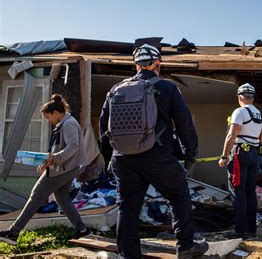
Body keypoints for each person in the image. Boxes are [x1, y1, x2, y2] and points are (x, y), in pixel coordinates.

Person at [99, 44, 208, 259]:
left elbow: (103, 129)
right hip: (156, 155)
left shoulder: (115, 90)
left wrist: (109, 160)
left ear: (136, 65)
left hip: (122, 158)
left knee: (127, 208)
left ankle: (128, 254)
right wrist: (189, 154)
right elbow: (185, 124)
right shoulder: (167, 88)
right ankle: (185, 246)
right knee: (178, 195)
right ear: (157, 64)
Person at [0, 94, 89, 242]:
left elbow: (73, 147)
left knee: (36, 195)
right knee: (62, 198)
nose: (48, 121)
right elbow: (59, 149)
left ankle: (14, 232)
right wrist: (48, 161)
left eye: (48, 117)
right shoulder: (64, 123)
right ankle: (82, 229)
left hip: (64, 168)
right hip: (64, 167)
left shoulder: (68, 124)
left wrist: (54, 159)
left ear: (55, 113)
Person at [218, 83, 262, 239]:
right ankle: (252, 229)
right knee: (250, 192)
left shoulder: (239, 112)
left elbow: (231, 135)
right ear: (252, 97)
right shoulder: (260, 115)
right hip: (254, 154)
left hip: (239, 154)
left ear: (240, 97)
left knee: (237, 191)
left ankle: (240, 229)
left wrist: (224, 157)